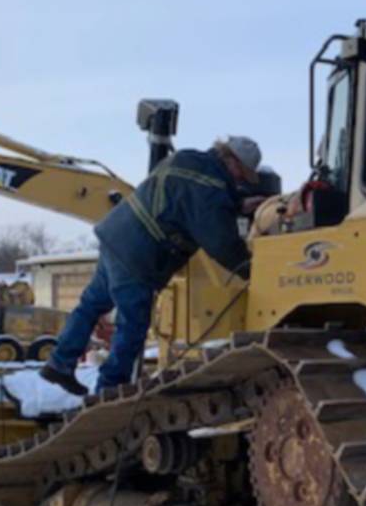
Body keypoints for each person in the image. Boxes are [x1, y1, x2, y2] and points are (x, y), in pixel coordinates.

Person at [40, 135, 263, 396]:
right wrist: (255, 271)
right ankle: (110, 389)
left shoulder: (189, 159)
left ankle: (59, 363)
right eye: (243, 174)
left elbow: (185, 198)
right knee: (133, 324)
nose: (241, 180)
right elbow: (221, 243)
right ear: (232, 161)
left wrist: (236, 204)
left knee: (90, 305)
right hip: (138, 255)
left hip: (116, 238)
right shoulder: (210, 188)